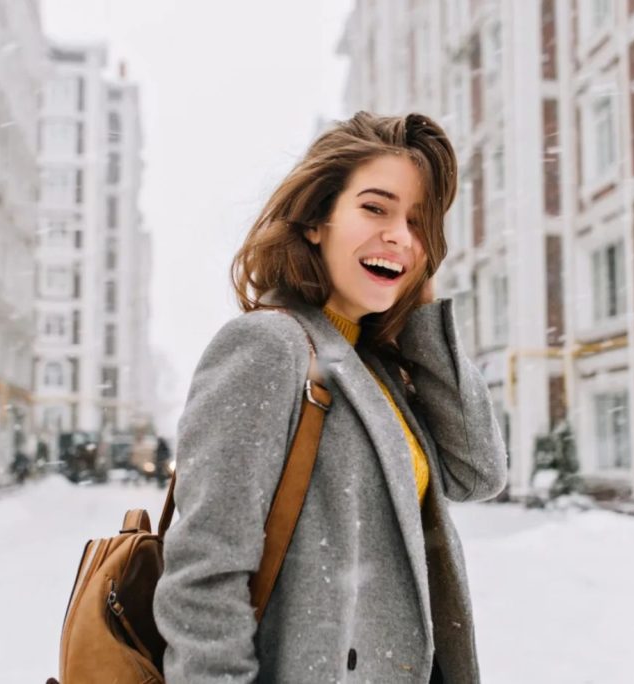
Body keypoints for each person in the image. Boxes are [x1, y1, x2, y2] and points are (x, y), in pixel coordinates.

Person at [152, 112, 508, 683]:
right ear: (317, 220)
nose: (399, 234)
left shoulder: (377, 369)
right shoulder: (269, 347)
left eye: (419, 223)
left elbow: (479, 471)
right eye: (376, 208)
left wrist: (418, 313)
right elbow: (203, 577)